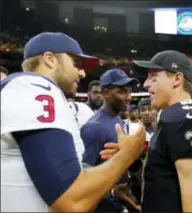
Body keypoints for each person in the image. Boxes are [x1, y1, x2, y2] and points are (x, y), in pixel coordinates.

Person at [1, 32, 146, 212]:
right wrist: (128, 155)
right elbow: (71, 202)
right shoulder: (35, 88)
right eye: (76, 64)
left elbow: (64, 173)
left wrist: (109, 182)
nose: (82, 73)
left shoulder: (32, 91)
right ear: (50, 59)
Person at [132, 50, 192, 212]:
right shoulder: (171, 116)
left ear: (177, 79)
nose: (146, 84)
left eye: (153, 77)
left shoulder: (189, 117)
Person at [81, 69, 141, 212]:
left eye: (129, 91)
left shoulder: (118, 119)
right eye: (122, 92)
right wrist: (112, 192)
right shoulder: (94, 127)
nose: (128, 97)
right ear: (106, 93)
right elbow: (84, 180)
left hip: (120, 199)